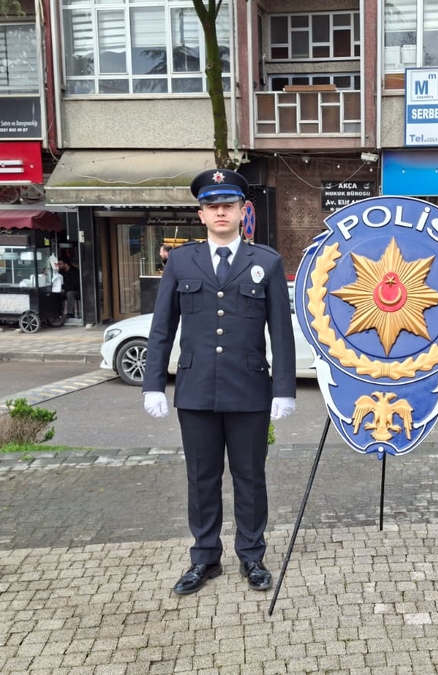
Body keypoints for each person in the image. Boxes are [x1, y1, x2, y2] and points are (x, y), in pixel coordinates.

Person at [142, 168, 297, 596]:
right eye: (213, 206)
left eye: (228, 205)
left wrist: (283, 388)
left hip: (249, 391)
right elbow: (162, 327)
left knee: (250, 477)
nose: (221, 212)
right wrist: (153, 383)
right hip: (194, 390)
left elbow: (280, 333)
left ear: (242, 211)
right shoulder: (181, 260)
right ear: (201, 214)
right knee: (202, 478)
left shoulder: (265, 261)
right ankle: (205, 558)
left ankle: (252, 556)